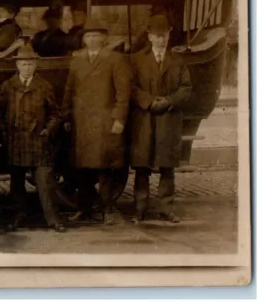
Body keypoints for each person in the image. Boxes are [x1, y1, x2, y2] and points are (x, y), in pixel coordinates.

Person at [61, 19, 131, 225]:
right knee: (83, 167)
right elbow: (69, 89)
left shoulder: (115, 60)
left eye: (96, 36)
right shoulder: (77, 60)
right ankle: (84, 209)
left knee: (105, 168)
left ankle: (107, 209)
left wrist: (119, 118)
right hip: (82, 121)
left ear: (104, 38)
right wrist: (66, 115)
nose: (92, 40)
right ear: (83, 39)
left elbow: (123, 93)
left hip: (104, 122)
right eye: (88, 36)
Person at [0, 44, 66, 233]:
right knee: (16, 182)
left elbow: (56, 114)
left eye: (31, 64)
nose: (27, 68)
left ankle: (53, 219)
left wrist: (47, 131)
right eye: (24, 64)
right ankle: (18, 215)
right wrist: (5, 133)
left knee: (45, 181)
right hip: (16, 141)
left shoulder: (44, 86)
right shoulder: (8, 87)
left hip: (38, 142)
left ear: (36, 65)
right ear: (17, 65)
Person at [129, 15, 193, 224]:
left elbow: (186, 88)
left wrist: (167, 101)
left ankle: (166, 208)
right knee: (142, 167)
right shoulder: (136, 60)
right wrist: (148, 102)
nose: (161, 39)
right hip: (144, 119)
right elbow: (131, 87)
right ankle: (140, 209)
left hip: (168, 118)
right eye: (157, 35)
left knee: (167, 167)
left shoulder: (178, 60)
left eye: (164, 35)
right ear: (149, 37)